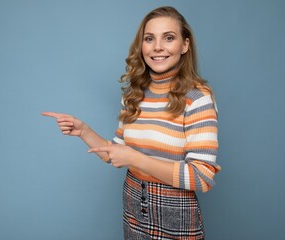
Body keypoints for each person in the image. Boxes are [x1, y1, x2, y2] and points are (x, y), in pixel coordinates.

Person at [43, 6, 221, 240]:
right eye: (149, 39)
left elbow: (201, 177)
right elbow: (115, 153)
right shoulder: (134, 95)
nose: (158, 47)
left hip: (175, 212)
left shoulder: (197, 98)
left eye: (169, 38)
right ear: (142, 46)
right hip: (133, 204)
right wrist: (83, 131)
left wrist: (136, 159)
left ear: (185, 45)